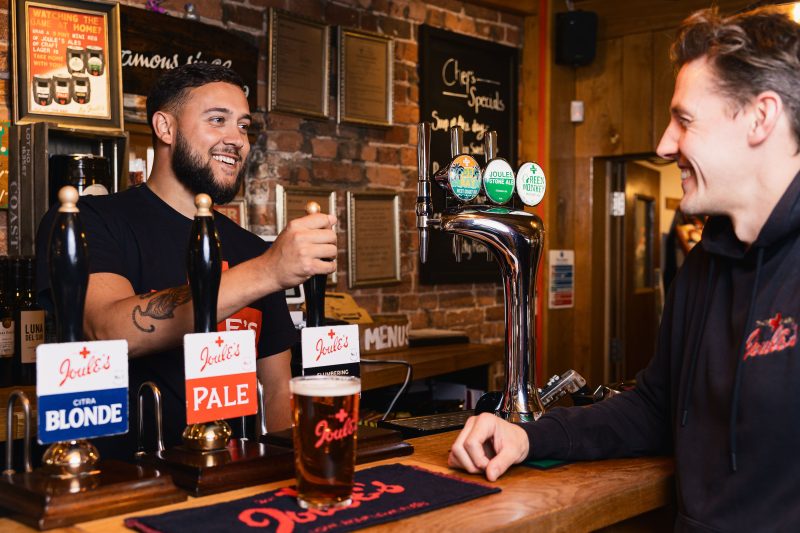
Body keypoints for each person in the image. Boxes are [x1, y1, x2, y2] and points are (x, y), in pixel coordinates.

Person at [448, 7, 800, 530]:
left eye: (684, 121)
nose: (664, 144)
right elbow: (654, 409)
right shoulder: (704, 265)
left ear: (760, 118)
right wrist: (527, 436)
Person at [35, 63, 337, 458]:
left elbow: (277, 388)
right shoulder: (88, 221)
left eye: (243, 126)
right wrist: (269, 271)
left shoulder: (250, 249)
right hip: (126, 480)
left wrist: (292, 470)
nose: (237, 140)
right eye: (218, 120)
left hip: (234, 476)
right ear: (165, 127)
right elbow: (106, 332)